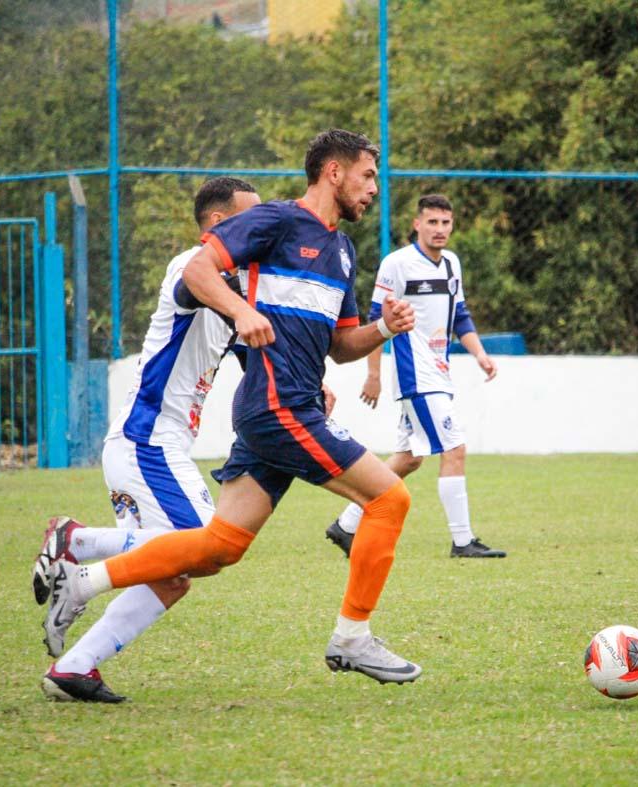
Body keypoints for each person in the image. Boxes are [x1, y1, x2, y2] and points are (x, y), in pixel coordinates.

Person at [39, 129, 423, 693]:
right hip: (276, 408)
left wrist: (384, 329)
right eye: (369, 175)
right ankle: (352, 638)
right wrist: (242, 312)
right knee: (390, 498)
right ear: (334, 172)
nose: (375, 189)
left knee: (220, 547)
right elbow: (198, 271)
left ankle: (86, 578)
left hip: (278, 408)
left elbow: (340, 345)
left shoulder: (342, 251)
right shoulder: (275, 222)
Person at [32, 176, 267, 702]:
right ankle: (79, 543)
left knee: (172, 575)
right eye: (250, 222)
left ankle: (73, 668)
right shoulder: (192, 266)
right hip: (147, 445)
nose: (261, 231)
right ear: (217, 225)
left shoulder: (232, 290)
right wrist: (245, 308)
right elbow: (200, 284)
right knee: (209, 545)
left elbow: (254, 352)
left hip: (150, 449)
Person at [325, 194, 506, 559]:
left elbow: (461, 316)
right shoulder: (398, 264)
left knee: (409, 458)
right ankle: (462, 541)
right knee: (454, 448)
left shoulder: (451, 263)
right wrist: (373, 374)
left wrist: (480, 354)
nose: (440, 230)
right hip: (416, 377)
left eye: (446, 222)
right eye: (432, 222)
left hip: (439, 373)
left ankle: (345, 525)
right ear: (417, 224)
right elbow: (377, 320)